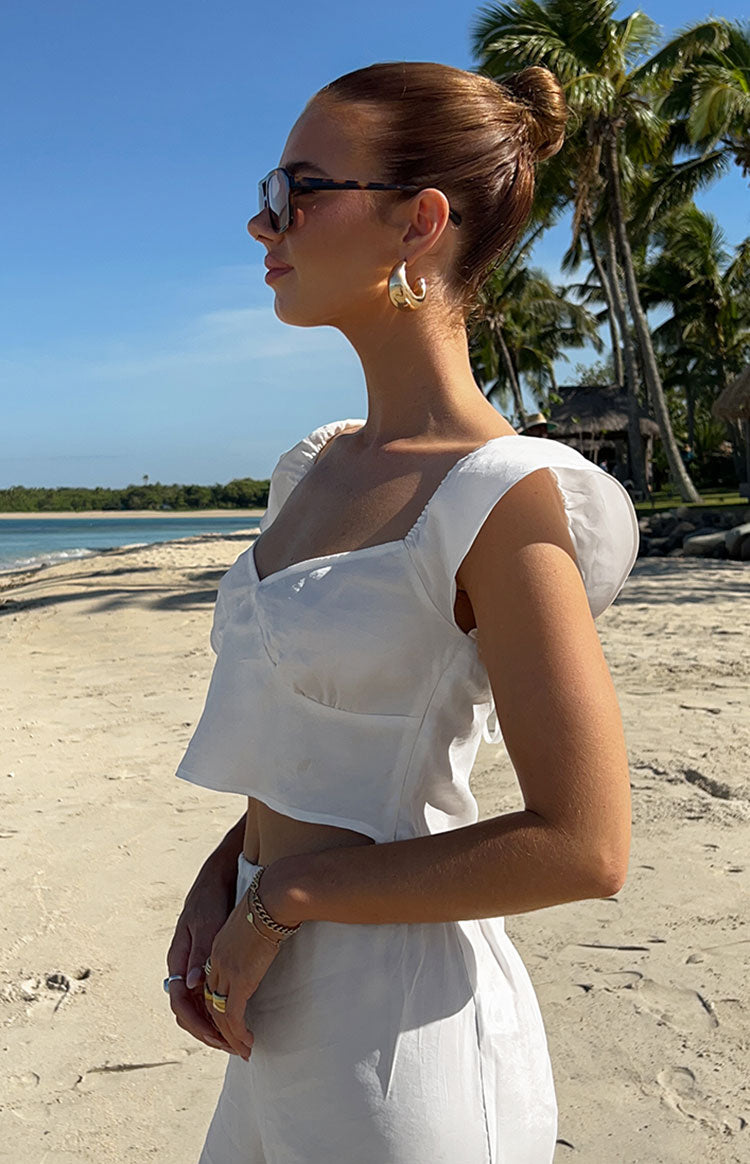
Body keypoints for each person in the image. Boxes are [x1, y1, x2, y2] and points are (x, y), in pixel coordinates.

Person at [166, 60, 638, 1163]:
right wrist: (232, 868)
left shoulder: (499, 495)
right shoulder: (315, 467)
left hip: (400, 1036)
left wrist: (286, 893)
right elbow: (322, 738)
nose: (261, 222)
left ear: (418, 222)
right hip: (269, 1001)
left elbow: (585, 845)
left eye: (296, 191)